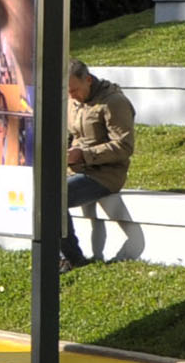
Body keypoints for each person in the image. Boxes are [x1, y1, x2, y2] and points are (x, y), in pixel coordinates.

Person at [57, 59, 140, 268]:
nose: (71, 96)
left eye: (74, 90)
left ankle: (72, 259)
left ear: (88, 80)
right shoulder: (73, 101)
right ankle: (60, 255)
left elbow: (124, 146)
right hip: (76, 169)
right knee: (43, 194)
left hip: (105, 175)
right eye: (67, 91)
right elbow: (72, 135)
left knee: (54, 198)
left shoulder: (113, 102)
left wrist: (84, 155)